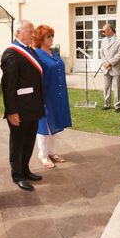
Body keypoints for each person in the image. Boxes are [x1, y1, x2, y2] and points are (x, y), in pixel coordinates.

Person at [0, 20, 45, 191]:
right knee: (18, 143)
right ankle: (17, 174)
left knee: (29, 141)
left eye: (33, 31)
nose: (33, 34)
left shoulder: (30, 51)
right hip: (19, 108)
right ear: (18, 33)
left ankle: (25, 170)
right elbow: (8, 86)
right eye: (30, 31)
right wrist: (11, 111)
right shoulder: (11, 53)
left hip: (33, 106)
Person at [33, 25, 72, 168]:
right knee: (44, 126)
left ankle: (51, 151)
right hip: (45, 95)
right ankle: (42, 154)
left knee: (55, 123)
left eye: (52, 36)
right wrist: (39, 98)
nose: (51, 39)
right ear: (40, 38)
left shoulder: (53, 53)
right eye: (48, 36)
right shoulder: (37, 54)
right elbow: (36, 78)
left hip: (58, 94)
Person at [100, 23, 120, 113]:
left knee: (117, 88)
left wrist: (110, 63)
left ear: (110, 30)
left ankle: (117, 106)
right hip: (106, 68)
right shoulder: (103, 41)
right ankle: (107, 104)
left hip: (116, 68)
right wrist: (105, 63)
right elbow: (101, 53)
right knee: (106, 87)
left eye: (104, 31)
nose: (102, 33)